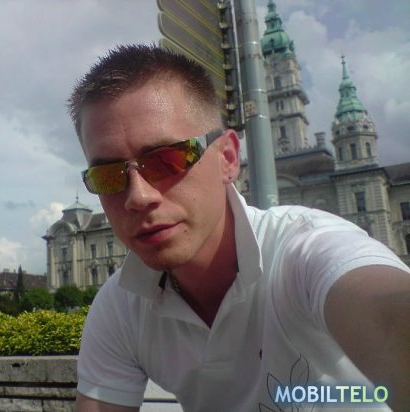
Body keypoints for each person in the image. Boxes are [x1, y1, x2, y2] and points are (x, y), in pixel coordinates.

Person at [67, 44, 410, 411]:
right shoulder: (121, 305)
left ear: (228, 158)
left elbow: (385, 311)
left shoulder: (306, 251)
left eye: (167, 159)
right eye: (108, 176)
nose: (138, 197)